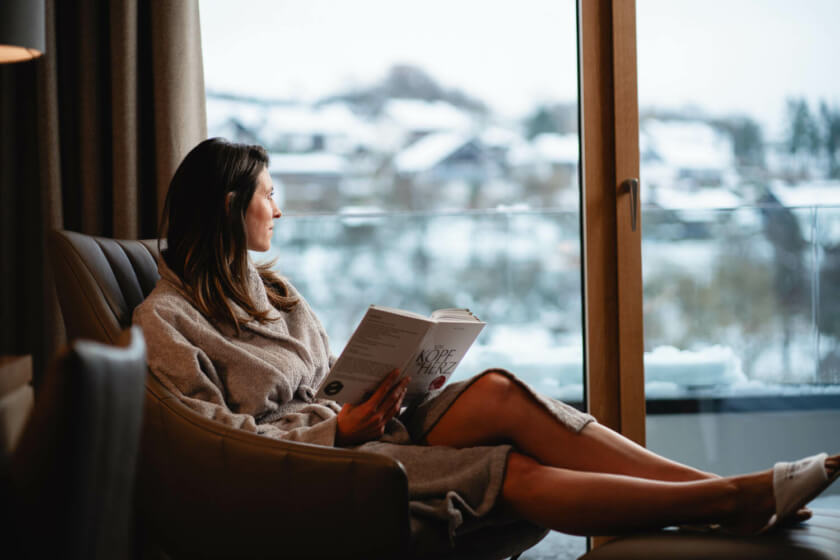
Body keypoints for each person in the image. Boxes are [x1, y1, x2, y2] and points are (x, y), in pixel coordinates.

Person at [133, 137, 839, 542]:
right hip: (321, 464)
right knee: (509, 470)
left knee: (498, 388)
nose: (278, 209)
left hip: (369, 426)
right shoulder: (165, 322)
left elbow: (321, 382)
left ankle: (728, 491)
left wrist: (398, 381)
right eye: (267, 194)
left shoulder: (275, 296)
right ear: (231, 206)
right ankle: (726, 504)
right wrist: (339, 433)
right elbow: (213, 438)